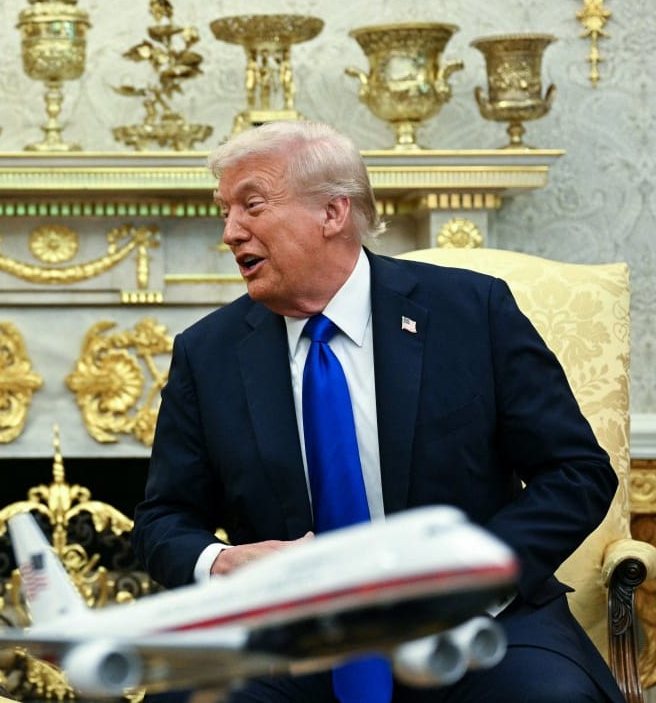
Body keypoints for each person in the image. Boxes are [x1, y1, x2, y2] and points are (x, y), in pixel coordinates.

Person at [131, 121, 622, 702]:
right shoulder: (207, 353)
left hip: (480, 623)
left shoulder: (471, 311)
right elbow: (163, 519)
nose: (231, 231)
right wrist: (223, 563)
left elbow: (576, 471)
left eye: (252, 206)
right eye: (226, 211)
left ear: (333, 213)